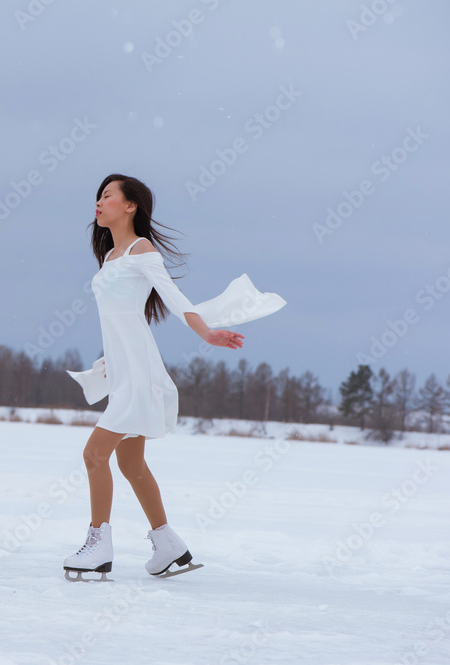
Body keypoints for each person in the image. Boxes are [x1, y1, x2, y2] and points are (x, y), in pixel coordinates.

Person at [62, 174, 286, 580]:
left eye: (108, 196)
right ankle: (167, 545)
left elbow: (173, 297)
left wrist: (206, 332)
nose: (99, 202)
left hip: (140, 373)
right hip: (125, 369)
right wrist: (110, 360)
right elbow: (120, 320)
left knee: (94, 454)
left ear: (130, 206)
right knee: (131, 465)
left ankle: (98, 545)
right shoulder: (111, 258)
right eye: (98, 196)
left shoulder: (141, 250)